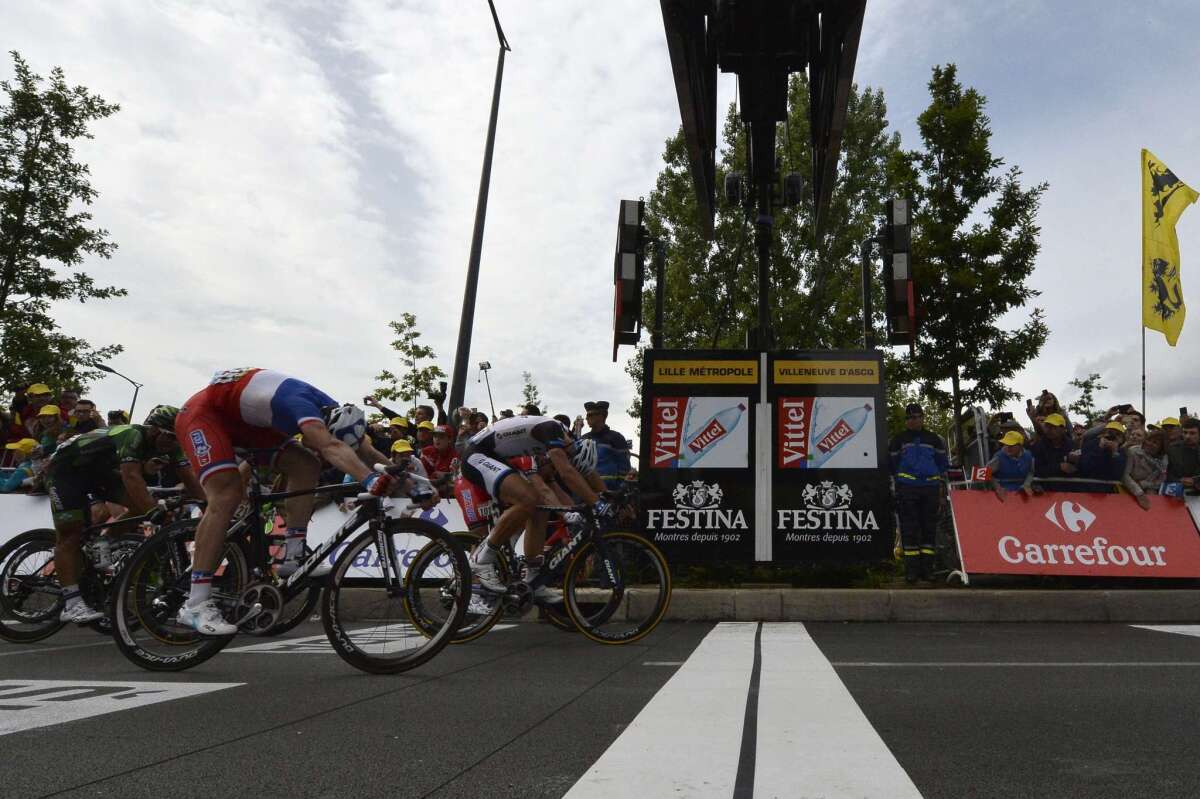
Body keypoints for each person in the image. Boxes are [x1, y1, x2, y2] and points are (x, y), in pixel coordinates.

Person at [175, 368, 404, 635]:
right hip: (205, 416)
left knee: (307, 464)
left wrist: (411, 483)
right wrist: (369, 480)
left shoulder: (335, 414)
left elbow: (364, 450)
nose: (320, 441)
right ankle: (195, 603)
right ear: (327, 427)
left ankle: (293, 556)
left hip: (246, 423)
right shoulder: (303, 408)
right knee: (226, 495)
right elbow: (331, 447)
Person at [43, 406, 201, 623]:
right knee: (70, 534)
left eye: (178, 439)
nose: (173, 443)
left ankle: (104, 540)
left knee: (138, 507)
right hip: (65, 471)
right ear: (154, 429)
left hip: (99, 472)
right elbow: (132, 477)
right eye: (170, 437)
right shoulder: (132, 434)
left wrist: (210, 505)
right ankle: (71, 603)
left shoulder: (171, 446)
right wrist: (153, 511)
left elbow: (189, 477)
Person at [462, 415, 610, 604]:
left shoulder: (564, 442)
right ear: (572, 446)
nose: (567, 459)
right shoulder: (553, 429)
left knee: (540, 506)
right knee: (528, 499)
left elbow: (580, 475)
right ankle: (482, 559)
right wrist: (597, 504)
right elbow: (567, 472)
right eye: (571, 457)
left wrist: (607, 495)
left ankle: (533, 577)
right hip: (477, 455)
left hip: (495, 457)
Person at [888, 403, 949, 583]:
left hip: (930, 488)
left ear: (923, 418)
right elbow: (892, 466)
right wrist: (895, 488)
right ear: (906, 421)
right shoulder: (898, 439)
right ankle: (911, 572)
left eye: (917, 416)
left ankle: (927, 570)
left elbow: (942, 466)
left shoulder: (934, 439)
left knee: (929, 529)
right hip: (907, 488)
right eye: (910, 417)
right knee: (909, 530)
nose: (914, 420)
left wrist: (941, 492)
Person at [580, 400, 633, 489]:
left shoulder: (616, 437)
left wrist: (620, 488)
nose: (586, 418)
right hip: (587, 489)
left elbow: (624, 466)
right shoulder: (583, 439)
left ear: (601, 416)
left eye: (590, 415)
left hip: (610, 490)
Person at [1124, 429, 1167, 509]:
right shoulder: (1133, 451)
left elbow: (1162, 480)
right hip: (1131, 490)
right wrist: (1139, 492)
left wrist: (1145, 484)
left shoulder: (1164, 459)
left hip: (1151, 490)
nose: (1149, 444)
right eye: (1148, 440)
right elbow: (1125, 475)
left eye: (1155, 443)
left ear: (1161, 448)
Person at [1030, 413, 1076, 485]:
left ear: (1063, 429)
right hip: (1047, 490)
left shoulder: (1072, 445)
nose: (1049, 430)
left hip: (1069, 488)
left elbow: (1080, 469)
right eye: (1047, 426)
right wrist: (1059, 467)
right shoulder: (1039, 446)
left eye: (1054, 427)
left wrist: (1076, 462)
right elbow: (1037, 470)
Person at [987, 430, 1034, 500]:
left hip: (1022, 497)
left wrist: (1027, 484)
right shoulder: (998, 457)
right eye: (1006, 444)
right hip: (1003, 497)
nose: (1008, 447)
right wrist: (998, 488)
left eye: (1011, 445)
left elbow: (1031, 472)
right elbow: (985, 473)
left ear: (1020, 446)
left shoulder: (1028, 456)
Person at [1077, 421, 1128, 485]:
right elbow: (1084, 467)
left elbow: (1118, 475)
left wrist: (1114, 453)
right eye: (1110, 432)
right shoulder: (1091, 444)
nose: (1113, 437)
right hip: (1087, 487)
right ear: (1103, 434)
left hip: (1109, 490)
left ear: (1122, 439)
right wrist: (1100, 448)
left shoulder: (1122, 452)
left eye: (1117, 434)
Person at [1166, 417, 1200, 493]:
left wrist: (1195, 481)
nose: (1187, 436)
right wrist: (1180, 480)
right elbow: (1168, 474)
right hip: (1179, 493)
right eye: (1185, 432)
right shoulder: (1173, 450)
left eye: (1192, 433)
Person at [421, 424, 458, 493]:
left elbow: (456, 479)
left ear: (449, 439)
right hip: (426, 489)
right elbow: (421, 475)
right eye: (435, 436)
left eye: (441, 437)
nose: (437, 439)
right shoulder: (426, 451)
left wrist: (445, 475)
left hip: (446, 493)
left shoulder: (455, 456)